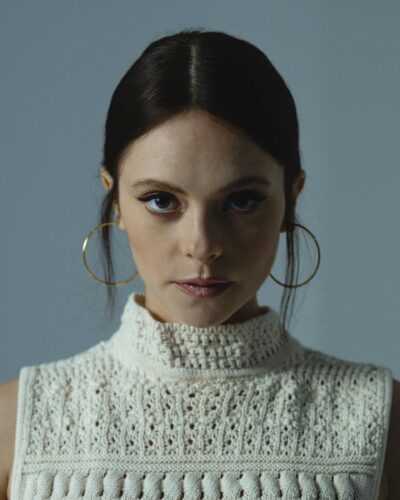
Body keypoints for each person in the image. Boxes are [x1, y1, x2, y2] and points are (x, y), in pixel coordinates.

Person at [1, 29, 398, 500]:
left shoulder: (382, 424)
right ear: (116, 202)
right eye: (161, 200)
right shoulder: (16, 427)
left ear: (291, 200)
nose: (203, 245)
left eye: (242, 201)